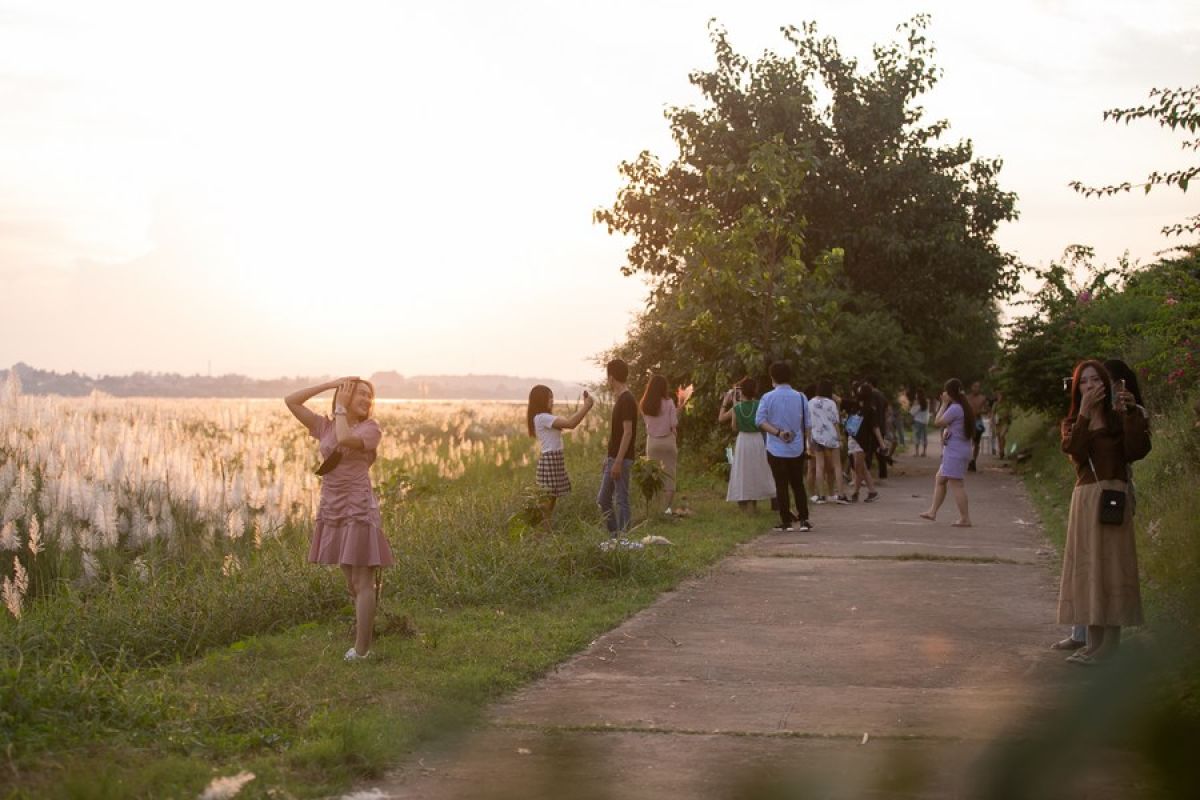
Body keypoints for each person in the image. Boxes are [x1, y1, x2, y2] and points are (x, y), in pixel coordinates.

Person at [285, 377, 393, 662]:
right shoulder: (324, 427)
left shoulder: (371, 428)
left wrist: (342, 409)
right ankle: (364, 639)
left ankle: (362, 650)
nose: (366, 400)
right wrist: (329, 384)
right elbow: (291, 401)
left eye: (369, 396)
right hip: (333, 506)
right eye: (360, 394)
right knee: (352, 584)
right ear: (343, 394)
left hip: (357, 505)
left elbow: (346, 440)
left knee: (363, 580)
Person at [1055, 359, 1150, 665]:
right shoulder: (1072, 423)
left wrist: (1133, 413)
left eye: (1096, 380)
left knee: (1112, 570)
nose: (1090, 386)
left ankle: (1110, 646)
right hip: (1085, 499)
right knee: (1088, 570)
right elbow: (1075, 451)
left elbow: (1137, 451)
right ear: (1078, 387)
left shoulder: (1118, 418)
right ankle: (1093, 645)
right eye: (1084, 381)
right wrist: (1084, 413)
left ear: (1107, 384)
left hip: (1113, 497)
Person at [755, 362, 814, 531]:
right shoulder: (801, 397)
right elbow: (807, 424)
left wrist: (778, 433)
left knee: (780, 484)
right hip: (797, 448)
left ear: (772, 377)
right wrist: (807, 445)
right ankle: (804, 519)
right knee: (798, 484)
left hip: (775, 448)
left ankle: (786, 521)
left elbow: (759, 421)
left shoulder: (767, 397)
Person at [527, 384, 595, 527]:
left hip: (555, 459)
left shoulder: (545, 417)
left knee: (550, 503)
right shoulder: (542, 417)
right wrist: (586, 407)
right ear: (540, 400)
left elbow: (569, 423)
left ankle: (544, 534)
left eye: (552, 397)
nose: (552, 400)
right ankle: (540, 535)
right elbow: (571, 423)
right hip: (550, 461)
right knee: (546, 504)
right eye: (549, 397)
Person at [920, 378, 974, 527]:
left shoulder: (955, 407)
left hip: (955, 452)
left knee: (957, 484)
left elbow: (937, 422)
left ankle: (965, 518)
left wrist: (943, 404)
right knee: (940, 479)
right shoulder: (964, 406)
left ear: (949, 393)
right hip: (957, 449)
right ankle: (933, 511)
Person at [719, 377, 775, 512]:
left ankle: (744, 500)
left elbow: (732, 426)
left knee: (743, 470)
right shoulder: (759, 404)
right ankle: (754, 502)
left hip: (743, 440)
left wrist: (726, 402)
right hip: (757, 439)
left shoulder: (737, 407)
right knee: (756, 469)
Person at [598, 359, 637, 537]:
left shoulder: (627, 399)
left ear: (611, 377)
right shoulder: (621, 399)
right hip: (613, 458)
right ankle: (615, 535)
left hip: (622, 459)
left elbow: (627, 433)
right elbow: (617, 434)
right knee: (603, 499)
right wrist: (609, 457)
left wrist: (619, 461)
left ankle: (624, 537)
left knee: (621, 499)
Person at [641, 374, 679, 515]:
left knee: (653, 476)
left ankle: (655, 509)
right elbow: (673, 424)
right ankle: (666, 510)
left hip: (652, 442)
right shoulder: (669, 403)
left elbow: (647, 423)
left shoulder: (644, 404)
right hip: (668, 440)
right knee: (669, 476)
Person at [808, 379, 850, 504]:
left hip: (817, 437)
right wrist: (839, 438)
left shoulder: (810, 403)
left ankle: (821, 496)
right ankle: (841, 495)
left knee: (819, 466)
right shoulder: (831, 403)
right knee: (837, 466)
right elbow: (835, 422)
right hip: (831, 436)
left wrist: (809, 440)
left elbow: (808, 424)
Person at [845, 383, 884, 502]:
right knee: (862, 468)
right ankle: (872, 491)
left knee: (858, 467)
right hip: (852, 439)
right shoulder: (855, 407)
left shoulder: (870, 410)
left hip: (862, 442)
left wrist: (881, 443)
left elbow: (875, 427)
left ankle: (855, 492)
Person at [966, 381, 990, 472]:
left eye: (978, 387)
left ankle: (973, 461)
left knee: (976, 443)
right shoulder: (967, 398)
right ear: (971, 387)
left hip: (978, 422)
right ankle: (969, 460)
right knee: (967, 441)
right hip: (968, 422)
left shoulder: (982, 398)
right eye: (974, 386)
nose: (976, 388)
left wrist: (980, 412)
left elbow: (987, 410)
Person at [911, 389, 931, 457]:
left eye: (916, 394)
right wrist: (927, 421)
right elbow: (927, 412)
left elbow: (912, 412)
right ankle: (924, 452)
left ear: (918, 394)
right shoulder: (927, 401)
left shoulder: (916, 402)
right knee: (924, 437)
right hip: (924, 422)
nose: (915, 395)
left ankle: (917, 452)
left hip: (917, 421)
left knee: (917, 437)